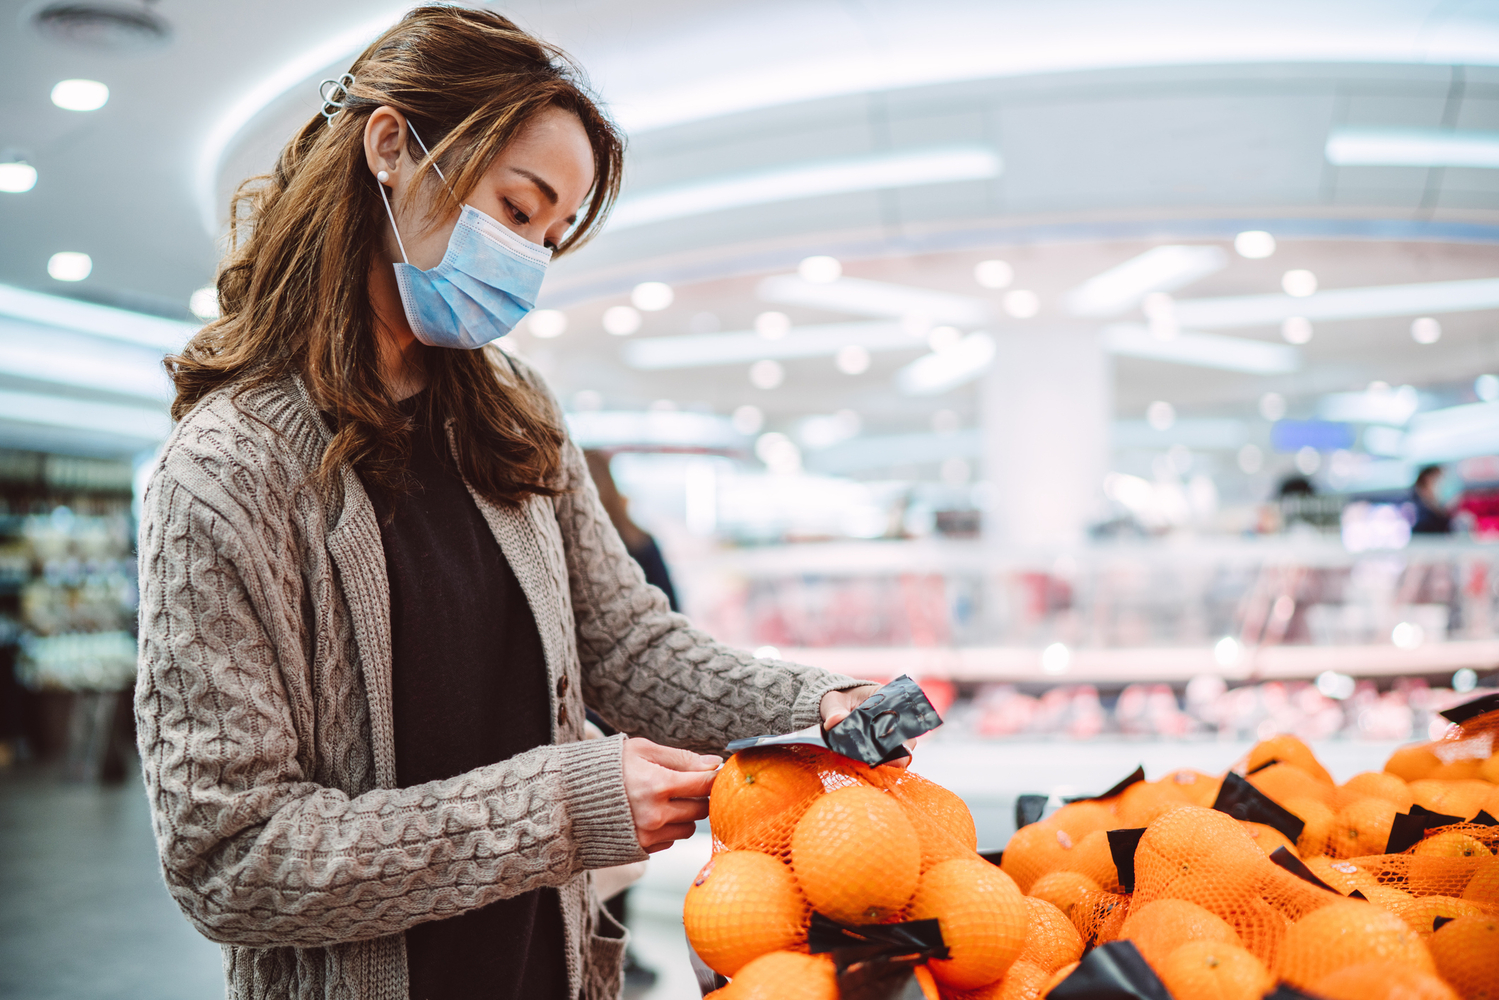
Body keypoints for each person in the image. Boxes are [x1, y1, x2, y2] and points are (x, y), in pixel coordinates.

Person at [132, 10, 878, 1000]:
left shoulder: (512, 415)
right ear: (390, 145)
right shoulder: (228, 470)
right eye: (516, 208)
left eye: (552, 233)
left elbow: (626, 644)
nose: (529, 258)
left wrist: (818, 707)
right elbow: (232, 857)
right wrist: (569, 804)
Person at [1411, 464, 1453, 534]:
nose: (1442, 486)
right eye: (1437, 481)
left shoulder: (1444, 517)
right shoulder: (1423, 526)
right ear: (1424, 487)